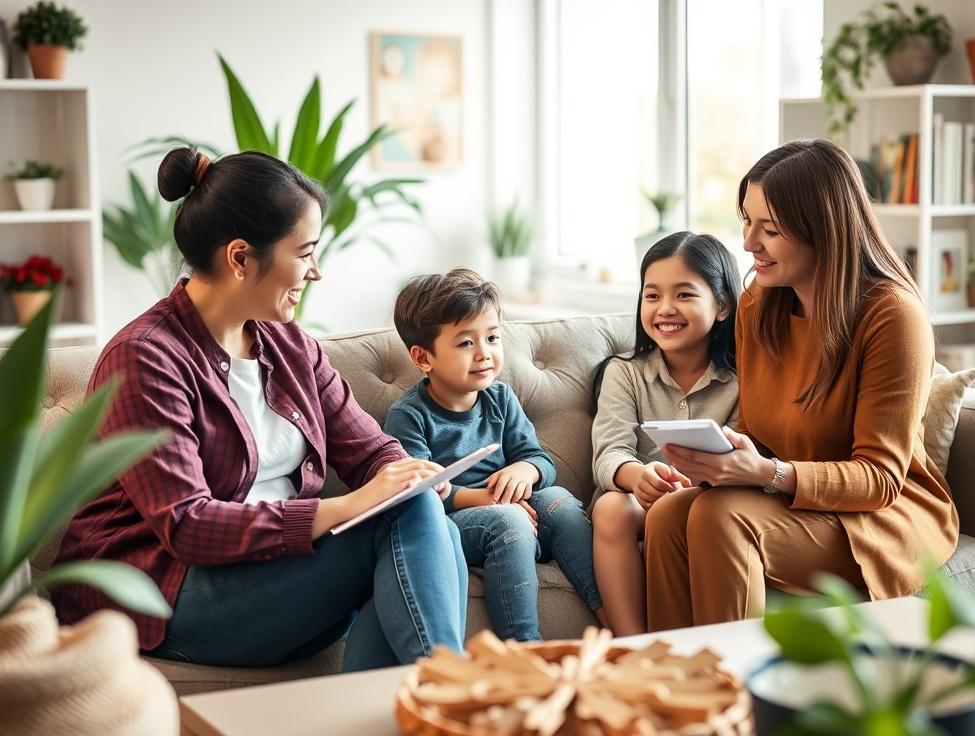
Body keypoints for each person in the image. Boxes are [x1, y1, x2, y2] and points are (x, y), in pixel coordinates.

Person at [54, 147, 468, 672]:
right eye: (305, 253)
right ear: (241, 258)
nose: (315, 272)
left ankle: (394, 728)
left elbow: (369, 448)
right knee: (404, 516)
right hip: (162, 591)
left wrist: (403, 472)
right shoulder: (144, 358)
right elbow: (187, 525)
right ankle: (451, 696)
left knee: (418, 508)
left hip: (269, 573)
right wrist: (348, 507)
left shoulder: (289, 344)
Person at [644, 139, 958, 630]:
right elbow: (757, 430)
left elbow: (879, 479)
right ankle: (675, 687)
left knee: (719, 519)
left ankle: (738, 694)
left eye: (769, 229)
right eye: (746, 221)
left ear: (824, 230)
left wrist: (767, 474)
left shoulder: (892, 316)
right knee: (667, 516)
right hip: (793, 498)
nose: (748, 243)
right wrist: (719, 463)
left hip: (879, 516)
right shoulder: (758, 304)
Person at [385, 269, 606, 641]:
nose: (485, 353)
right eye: (466, 344)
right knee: (509, 521)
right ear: (424, 358)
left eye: (491, 337)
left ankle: (610, 618)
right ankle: (523, 649)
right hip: (456, 523)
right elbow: (422, 496)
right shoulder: (409, 416)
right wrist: (492, 500)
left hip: (519, 509)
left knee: (561, 503)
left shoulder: (500, 398)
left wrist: (525, 470)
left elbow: (540, 460)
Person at [590, 232, 741, 636]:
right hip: (641, 501)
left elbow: (747, 452)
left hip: (713, 501)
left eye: (685, 295)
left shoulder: (745, 380)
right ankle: (634, 646)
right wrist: (638, 477)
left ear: (723, 305)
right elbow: (610, 451)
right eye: (652, 295)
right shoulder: (624, 372)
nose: (665, 309)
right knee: (610, 509)